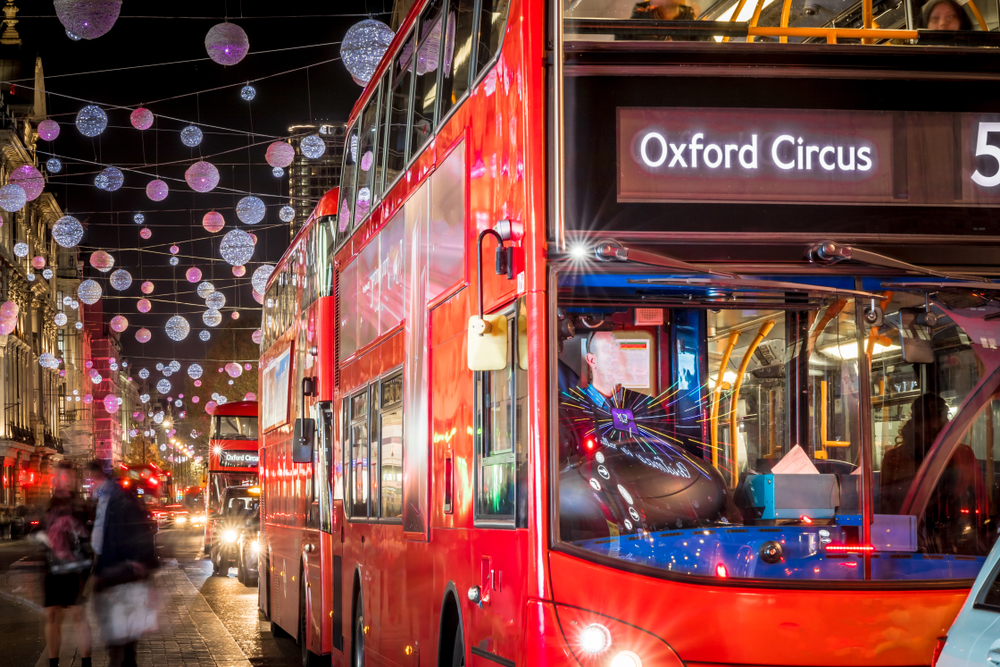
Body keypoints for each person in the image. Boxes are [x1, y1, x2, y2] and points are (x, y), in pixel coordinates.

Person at [88, 461, 159, 667]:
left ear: (98, 477)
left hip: (119, 571)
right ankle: (126, 657)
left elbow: (129, 533)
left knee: (119, 626)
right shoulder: (104, 500)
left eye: (91, 480)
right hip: (112, 570)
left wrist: (136, 562)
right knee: (118, 626)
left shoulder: (117, 501)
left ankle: (125, 659)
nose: (89, 485)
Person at [42, 462, 93, 667]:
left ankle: (86, 662)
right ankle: (54, 663)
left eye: (69, 477)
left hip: (76, 568)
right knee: (53, 615)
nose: (66, 481)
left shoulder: (82, 506)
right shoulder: (49, 505)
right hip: (52, 567)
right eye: (62, 477)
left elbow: (89, 538)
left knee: (78, 614)